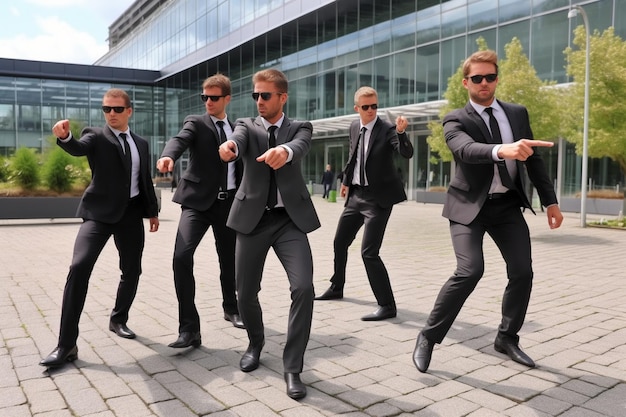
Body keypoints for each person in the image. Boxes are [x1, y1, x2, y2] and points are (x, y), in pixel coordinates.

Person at [412, 50, 563, 373]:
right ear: (466, 82)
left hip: (507, 205)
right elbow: (464, 150)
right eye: (477, 78)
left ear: (497, 78)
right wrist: (500, 150)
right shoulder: (456, 118)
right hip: (468, 207)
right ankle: (428, 336)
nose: (484, 83)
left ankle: (507, 337)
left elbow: (533, 160)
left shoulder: (517, 113)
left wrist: (550, 201)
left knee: (522, 271)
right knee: (470, 270)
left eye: (490, 77)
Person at [218, 69, 320, 400]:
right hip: (252, 220)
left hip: (290, 220)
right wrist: (230, 146)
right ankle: (255, 342)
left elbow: (300, 144)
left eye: (266, 95)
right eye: (255, 96)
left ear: (282, 97)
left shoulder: (300, 127)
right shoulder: (246, 125)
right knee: (245, 292)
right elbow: (238, 140)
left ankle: (292, 367)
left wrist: (285, 152)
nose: (259, 101)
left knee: (303, 287)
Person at [40, 88, 160, 368]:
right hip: (98, 214)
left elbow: (144, 180)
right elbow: (78, 148)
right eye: (107, 109)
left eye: (117, 109)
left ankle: (119, 319)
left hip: (131, 214)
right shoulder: (95, 135)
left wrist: (152, 211)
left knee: (132, 270)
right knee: (79, 267)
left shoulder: (141, 143)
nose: (112, 114)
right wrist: (64, 136)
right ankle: (66, 344)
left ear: (129, 111)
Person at [156, 74, 245, 350]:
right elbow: (180, 139)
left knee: (229, 260)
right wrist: (169, 155)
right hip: (196, 203)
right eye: (204, 97)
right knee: (181, 257)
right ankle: (189, 329)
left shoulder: (238, 128)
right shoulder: (196, 122)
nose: (208, 101)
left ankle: (232, 308)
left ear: (227, 99)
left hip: (229, 203)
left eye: (214, 97)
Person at [315, 86, 413, 322]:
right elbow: (353, 156)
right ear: (356, 108)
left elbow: (406, 152)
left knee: (369, 252)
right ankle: (337, 287)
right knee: (340, 242)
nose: (371, 111)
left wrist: (401, 133)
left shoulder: (388, 129)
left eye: (374, 106)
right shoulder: (353, 126)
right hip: (356, 196)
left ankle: (387, 305)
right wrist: (346, 181)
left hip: (378, 200)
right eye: (366, 107)